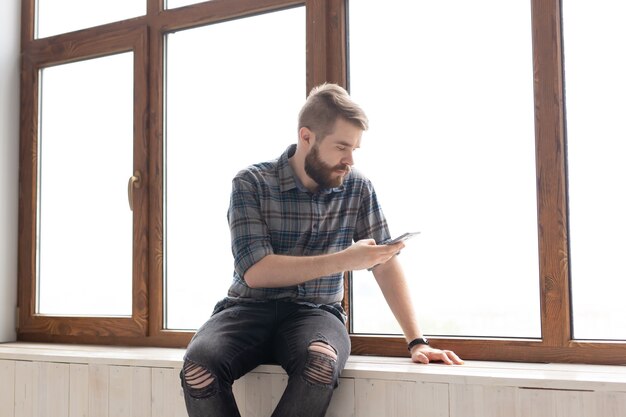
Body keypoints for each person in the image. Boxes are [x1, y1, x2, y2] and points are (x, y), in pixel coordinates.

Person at [180, 83, 464, 417]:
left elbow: (384, 264)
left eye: (355, 148)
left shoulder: (358, 187)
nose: (350, 160)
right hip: (246, 310)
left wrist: (417, 341)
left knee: (321, 361)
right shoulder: (251, 183)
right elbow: (256, 272)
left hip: (316, 313)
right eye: (342, 147)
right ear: (307, 137)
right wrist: (345, 260)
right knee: (198, 368)